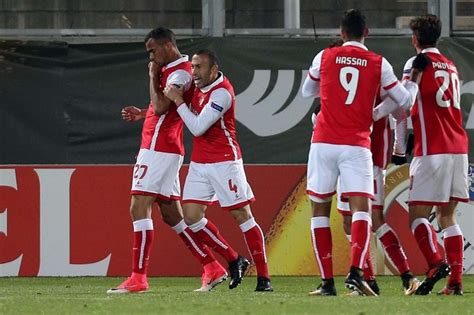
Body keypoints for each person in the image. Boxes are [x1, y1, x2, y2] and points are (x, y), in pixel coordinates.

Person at [301, 9, 421, 296]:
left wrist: (329, 88)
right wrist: (412, 82)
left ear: (342, 33)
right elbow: (404, 102)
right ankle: (356, 271)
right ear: (366, 33)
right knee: (361, 210)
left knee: (319, 209)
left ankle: (327, 282)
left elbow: (308, 90)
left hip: (324, 142)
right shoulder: (379, 63)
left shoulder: (324, 56)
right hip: (356, 144)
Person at [107, 27, 227, 294]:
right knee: (172, 215)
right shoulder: (176, 70)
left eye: (152, 50)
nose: (150, 57)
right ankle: (212, 266)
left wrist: (151, 76)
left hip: (158, 149)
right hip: (163, 147)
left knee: (138, 207)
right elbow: (161, 109)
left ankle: (138, 277)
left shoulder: (180, 72)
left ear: (166, 46)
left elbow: (162, 107)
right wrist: (143, 113)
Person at [163, 49, 273, 292]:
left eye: (199, 67)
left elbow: (198, 127)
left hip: (225, 162)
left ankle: (264, 278)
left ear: (213, 70)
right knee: (191, 217)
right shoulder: (194, 85)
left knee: (242, 216)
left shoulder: (222, 92)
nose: (194, 72)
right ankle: (234, 259)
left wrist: (179, 100)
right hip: (200, 163)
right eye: (192, 67)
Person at [404, 15, 468, 296]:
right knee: (447, 216)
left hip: (433, 149)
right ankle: (455, 282)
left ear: (414, 40)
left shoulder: (416, 63)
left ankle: (434, 264)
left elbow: (406, 99)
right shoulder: (451, 65)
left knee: (417, 216)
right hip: (459, 148)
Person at [336, 89, 420, 296]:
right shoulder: (343, 80)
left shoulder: (378, 82)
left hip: (370, 162)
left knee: (375, 217)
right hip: (345, 159)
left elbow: (400, 112)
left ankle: (408, 276)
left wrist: (398, 150)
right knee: (348, 220)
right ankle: (368, 281)